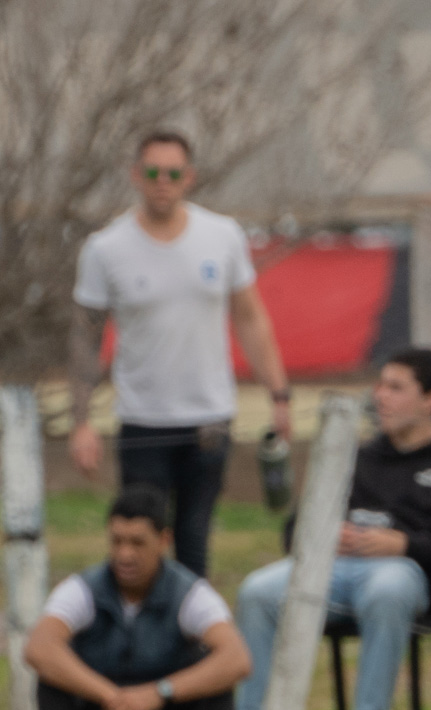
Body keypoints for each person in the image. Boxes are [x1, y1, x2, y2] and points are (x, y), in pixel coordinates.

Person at [234, 348, 431, 710]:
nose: (379, 396)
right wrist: (322, 536)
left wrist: (404, 545)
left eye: (395, 387)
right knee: (256, 591)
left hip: (405, 576)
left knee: (388, 590)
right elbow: (292, 533)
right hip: (331, 570)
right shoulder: (352, 457)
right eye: (380, 385)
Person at [69, 130, 292, 578]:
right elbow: (85, 338)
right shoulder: (105, 248)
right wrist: (81, 420)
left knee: (194, 539)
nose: (162, 181)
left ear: (189, 178)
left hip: (208, 417)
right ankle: (142, 638)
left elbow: (250, 318)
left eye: (173, 173)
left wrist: (279, 394)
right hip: (142, 419)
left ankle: (194, 642)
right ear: (136, 175)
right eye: (152, 172)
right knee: (138, 541)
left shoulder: (222, 235)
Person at [24, 486, 251, 710]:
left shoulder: (190, 594)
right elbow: (39, 648)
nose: (124, 554)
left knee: (217, 682)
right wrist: (114, 698)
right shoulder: (82, 589)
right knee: (52, 680)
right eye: (116, 542)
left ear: (164, 541)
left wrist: (159, 694)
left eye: (137, 543)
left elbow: (237, 659)